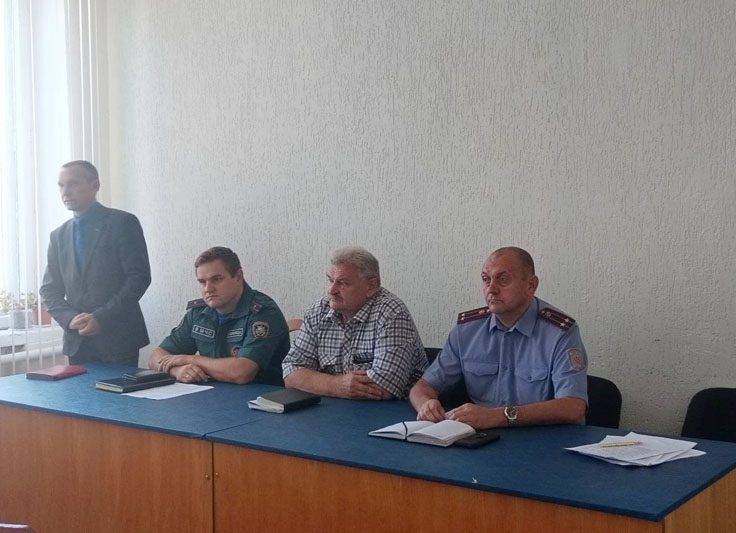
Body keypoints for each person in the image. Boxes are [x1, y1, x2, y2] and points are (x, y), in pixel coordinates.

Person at [410, 247, 588, 429]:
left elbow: (573, 407)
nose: (491, 289)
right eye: (486, 279)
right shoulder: (467, 331)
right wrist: (426, 405)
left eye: (503, 279)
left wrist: (499, 416)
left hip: (541, 438)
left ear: (531, 285)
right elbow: (422, 387)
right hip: (480, 438)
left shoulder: (560, 333)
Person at [40, 160, 151, 367]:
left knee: (116, 390)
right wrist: (70, 319)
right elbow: (49, 289)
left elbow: (139, 277)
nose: (65, 192)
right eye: (61, 185)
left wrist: (101, 318)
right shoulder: (58, 235)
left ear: (95, 185)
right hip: (77, 341)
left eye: (73, 183)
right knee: (77, 391)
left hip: (118, 337)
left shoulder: (122, 223)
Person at [282, 246, 427, 399]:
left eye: (343, 283)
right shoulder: (319, 310)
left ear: (371, 286)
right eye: (330, 280)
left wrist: (317, 382)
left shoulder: (392, 313)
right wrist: (337, 385)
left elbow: (384, 388)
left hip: (391, 409)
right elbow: (291, 373)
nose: (332, 290)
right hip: (334, 406)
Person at [149, 247, 289, 385]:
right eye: (202, 282)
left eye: (216, 279)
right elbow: (156, 356)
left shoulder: (263, 312)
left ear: (238, 277)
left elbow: (242, 373)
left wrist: (191, 360)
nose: (208, 289)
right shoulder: (198, 313)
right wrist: (177, 370)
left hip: (260, 395)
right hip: (211, 392)